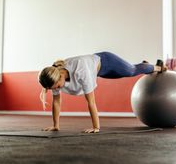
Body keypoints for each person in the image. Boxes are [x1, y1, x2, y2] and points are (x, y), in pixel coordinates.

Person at [38, 51, 166, 133]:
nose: (56, 89)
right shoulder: (54, 75)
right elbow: (56, 102)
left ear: (60, 76)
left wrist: (96, 127)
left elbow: (91, 102)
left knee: (131, 71)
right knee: (130, 71)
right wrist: (55, 125)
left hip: (107, 61)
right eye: (53, 89)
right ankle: (144, 66)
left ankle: (157, 67)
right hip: (98, 70)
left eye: (56, 86)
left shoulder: (80, 71)